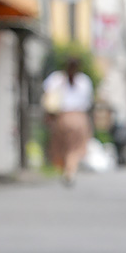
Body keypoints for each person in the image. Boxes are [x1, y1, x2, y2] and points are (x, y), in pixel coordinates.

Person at [42, 58, 93, 186]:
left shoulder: (55, 79)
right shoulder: (84, 81)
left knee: (62, 146)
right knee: (75, 148)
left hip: (61, 118)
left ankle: (67, 169)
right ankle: (70, 170)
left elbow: (48, 98)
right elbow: (88, 102)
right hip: (79, 118)